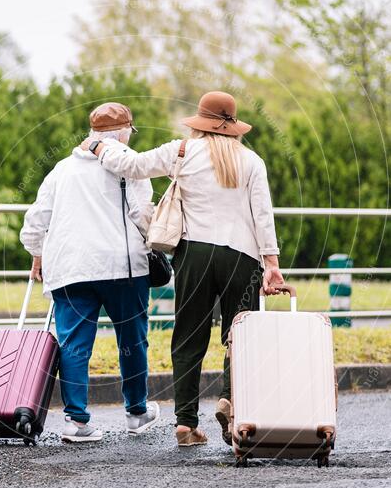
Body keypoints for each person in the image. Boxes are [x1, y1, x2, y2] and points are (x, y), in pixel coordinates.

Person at [81, 91, 284, 447]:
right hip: (243, 257)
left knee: (189, 336)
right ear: (233, 125)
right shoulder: (252, 161)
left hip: (194, 253)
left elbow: (133, 165)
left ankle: (186, 423)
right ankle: (230, 400)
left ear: (200, 122)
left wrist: (100, 147)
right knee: (239, 336)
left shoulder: (181, 151)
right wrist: (272, 264)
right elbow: (263, 216)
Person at [20, 102, 160, 443]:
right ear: (124, 132)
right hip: (121, 267)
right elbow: (142, 215)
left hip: (70, 266)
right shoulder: (129, 164)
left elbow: (36, 220)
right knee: (132, 340)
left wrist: (37, 252)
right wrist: (156, 239)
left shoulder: (61, 170)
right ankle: (137, 413)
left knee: (74, 344)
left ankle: (76, 421)